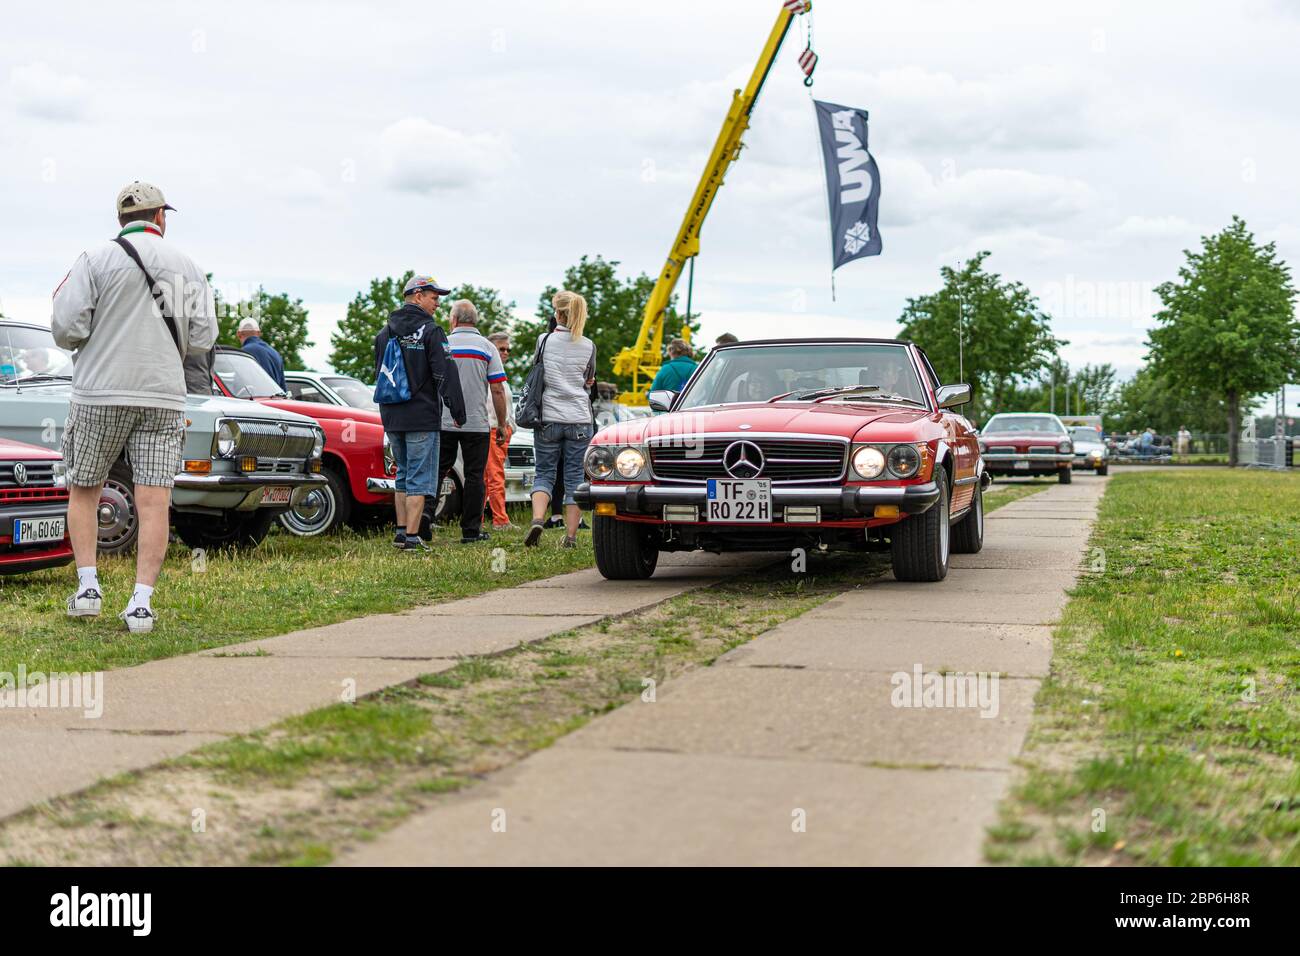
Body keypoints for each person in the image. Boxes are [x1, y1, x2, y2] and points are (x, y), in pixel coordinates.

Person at [51, 181, 217, 633]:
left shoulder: (94, 259)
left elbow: (66, 328)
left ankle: (88, 588)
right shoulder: (188, 267)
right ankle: (141, 602)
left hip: (100, 391)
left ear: (120, 218)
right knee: (154, 499)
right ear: (161, 216)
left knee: (85, 489)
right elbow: (202, 339)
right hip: (163, 394)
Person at [374, 275, 466, 551]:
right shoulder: (431, 331)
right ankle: (413, 538)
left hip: (391, 413)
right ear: (417, 296)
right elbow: (445, 373)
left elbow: (379, 372)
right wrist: (458, 410)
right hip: (421, 414)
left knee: (401, 473)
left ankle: (401, 533)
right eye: (434, 297)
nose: (438, 303)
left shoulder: (385, 331)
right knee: (419, 475)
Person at [525, 290, 596, 549]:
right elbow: (589, 380)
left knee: (544, 472)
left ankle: (537, 519)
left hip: (549, 417)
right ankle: (571, 536)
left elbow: (537, 371)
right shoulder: (588, 345)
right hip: (579, 418)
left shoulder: (544, 341)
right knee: (575, 477)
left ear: (558, 313)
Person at [439, 300, 508, 544]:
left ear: (454, 320)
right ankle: (471, 530)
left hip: (445, 421)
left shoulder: (443, 344)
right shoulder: (487, 347)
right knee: (475, 477)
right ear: (474, 320)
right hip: (477, 424)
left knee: (437, 473)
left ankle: (423, 524)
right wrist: (501, 424)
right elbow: (497, 389)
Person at [484, 331, 516, 530]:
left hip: (502, 429)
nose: (506, 353)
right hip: (494, 429)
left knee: (489, 476)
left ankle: (480, 518)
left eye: (508, 349)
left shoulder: (500, 374)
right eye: (501, 349)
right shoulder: (489, 373)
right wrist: (503, 426)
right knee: (495, 476)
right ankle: (500, 520)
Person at [237, 317, 286, 391]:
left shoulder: (243, 354)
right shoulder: (275, 353)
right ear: (259, 333)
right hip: (275, 400)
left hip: (254, 401)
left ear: (239, 334)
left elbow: (238, 385)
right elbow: (283, 389)